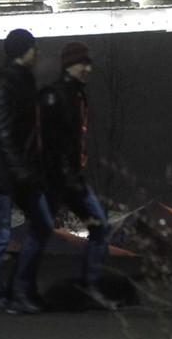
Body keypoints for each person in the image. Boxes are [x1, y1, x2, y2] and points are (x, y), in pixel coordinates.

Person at [38, 41, 117, 309]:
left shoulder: (75, 94)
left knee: (97, 228)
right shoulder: (57, 96)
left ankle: (88, 285)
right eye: (84, 63)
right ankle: (21, 288)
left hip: (68, 176)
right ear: (70, 65)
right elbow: (53, 144)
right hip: (59, 178)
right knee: (94, 227)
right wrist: (70, 177)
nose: (89, 68)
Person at [0, 29, 51, 313]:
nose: (37, 52)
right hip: (6, 171)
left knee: (40, 224)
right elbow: (2, 133)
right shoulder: (6, 82)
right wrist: (20, 169)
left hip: (17, 169)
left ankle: (17, 289)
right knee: (0, 235)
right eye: (34, 47)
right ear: (24, 50)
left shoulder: (19, 80)